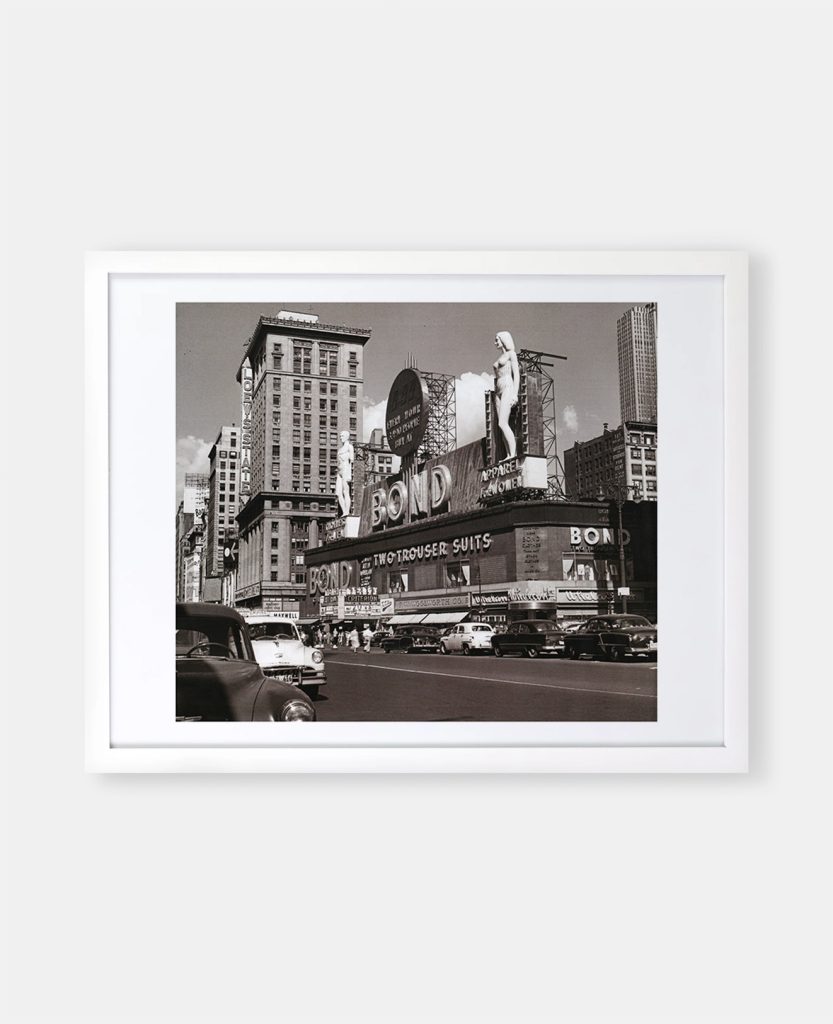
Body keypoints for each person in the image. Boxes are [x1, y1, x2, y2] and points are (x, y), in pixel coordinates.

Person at [492, 330, 520, 460]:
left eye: (497, 339)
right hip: (498, 390)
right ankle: (509, 455)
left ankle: (513, 454)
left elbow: (517, 375)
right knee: (500, 425)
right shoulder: (500, 357)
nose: (495, 342)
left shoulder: (511, 354)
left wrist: (515, 394)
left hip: (507, 386)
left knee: (503, 423)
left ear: (503, 340)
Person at [335, 430, 354, 516]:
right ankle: (344, 511)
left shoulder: (350, 447)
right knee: (338, 493)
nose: (340, 437)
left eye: (342, 436)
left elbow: (352, 461)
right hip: (340, 471)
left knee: (346, 491)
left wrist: (349, 474)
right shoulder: (339, 450)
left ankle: (347, 511)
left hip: (346, 469)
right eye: (340, 436)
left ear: (347, 436)